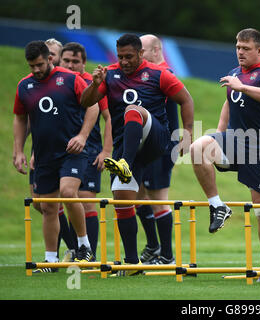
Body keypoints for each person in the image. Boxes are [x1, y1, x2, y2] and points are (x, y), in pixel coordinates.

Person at [80, 33, 194, 276]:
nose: (124, 61)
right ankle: (132, 264)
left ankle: (124, 164)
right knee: (122, 197)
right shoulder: (109, 74)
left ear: (141, 54)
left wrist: (188, 132)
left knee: (134, 111)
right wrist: (94, 84)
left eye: (129, 56)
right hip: (128, 147)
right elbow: (85, 102)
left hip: (155, 139)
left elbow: (186, 99)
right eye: (120, 57)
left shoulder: (158, 74)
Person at [189, 28, 260, 282]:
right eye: (238, 47)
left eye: (245, 48)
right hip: (234, 140)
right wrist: (218, 136)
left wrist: (242, 87)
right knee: (198, 148)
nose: (240, 52)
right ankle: (218, 206)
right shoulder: (233, 74)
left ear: (259, 50)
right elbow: (229, 103)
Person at [13, 40, 98, 271]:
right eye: (31, 66)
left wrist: (82, 136)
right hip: (43, 155)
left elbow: (93, 106)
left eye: (40, 64)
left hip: (73, 151)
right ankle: (50, 260)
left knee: (69, 192)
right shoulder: (24, 86)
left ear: (50, 59)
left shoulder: (70, 79)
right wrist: (19, 150)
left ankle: (84, 246)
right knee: (49, 207)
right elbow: (21, 118)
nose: (36, 70)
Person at [60, 42, 113, 261]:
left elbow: (108, 117)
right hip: (61, 150)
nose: (70, 65)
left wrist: (106, 151)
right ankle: (74, 249)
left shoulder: (93, 85)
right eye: (66, 61)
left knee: (86, 200)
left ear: (83, 63)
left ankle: (87, 256)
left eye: (75, 61)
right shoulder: (57, 83)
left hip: (90, 150)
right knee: (52, 202)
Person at [134, 34, 180, 265]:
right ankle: (153, 246)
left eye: (142, 51)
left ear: (155, 50)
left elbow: (178, 111)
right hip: (143, 148)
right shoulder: (146, 75)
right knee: (138, 197)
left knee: (158, 200)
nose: (139, 55)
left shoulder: (165, 74)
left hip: (161, 147)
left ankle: (167, 256)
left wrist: (176, 143)